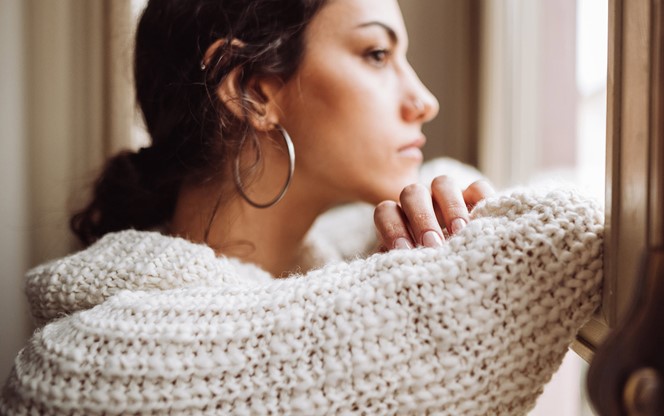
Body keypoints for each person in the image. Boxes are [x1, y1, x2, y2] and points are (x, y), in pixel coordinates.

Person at [0, 0, 604, 414]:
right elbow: (561, 236)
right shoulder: (94, 366)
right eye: (376, 54)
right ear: (253, 91)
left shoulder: (340, 265)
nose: (424, 100)